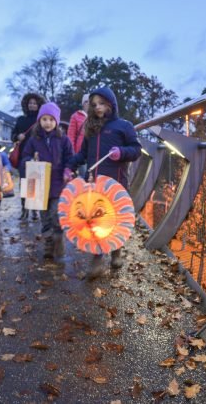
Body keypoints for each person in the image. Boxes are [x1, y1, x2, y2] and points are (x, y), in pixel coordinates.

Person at [65, 87, 141, 280]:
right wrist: (70, 166)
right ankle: (98, 257)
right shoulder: (90, 127)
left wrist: (121, 153)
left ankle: (116, 251)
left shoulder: (124, 126)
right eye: (94, 105)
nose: (98, 108)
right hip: (95, 184)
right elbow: (83, 154)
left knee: (114, 220)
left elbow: (136, 149)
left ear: (111, 103)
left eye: (101, 103)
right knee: (96, 219)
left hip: (116, 183)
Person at [21, 102, 73, 260]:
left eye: (51, 119)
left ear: (56, 121)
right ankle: (49, 245)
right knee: (44, 218)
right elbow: (24, 157)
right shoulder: (33, 140)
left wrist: (68, 170)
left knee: (56, 214)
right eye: (44, 119)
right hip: (38, 185)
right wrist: (31, 160)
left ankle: (59, 239)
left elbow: (70, 157)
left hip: (57, 183)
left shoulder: (63, 139)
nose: (47, 122)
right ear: (39, 120)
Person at [11, 92, 46, 221]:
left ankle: (35, 210)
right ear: (26, 105)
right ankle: (24, 209)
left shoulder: (42, 120)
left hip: (37, 156)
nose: (32, 105)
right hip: (23, 156)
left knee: (36, 183)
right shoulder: (21, 120)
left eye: (34, 103)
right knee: (25, 183)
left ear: (39, 105)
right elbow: (12, 134)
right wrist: (17, 136)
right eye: (30, 103)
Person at [66, 93, 89, 177]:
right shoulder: (75, 116)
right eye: (86, 101)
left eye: (90, 101)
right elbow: (71, 136)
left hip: (92, 153)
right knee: (82, 177)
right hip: (79, 152)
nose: (88, 103)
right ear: (83, 104)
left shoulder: (96, 118)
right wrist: (72, 153)